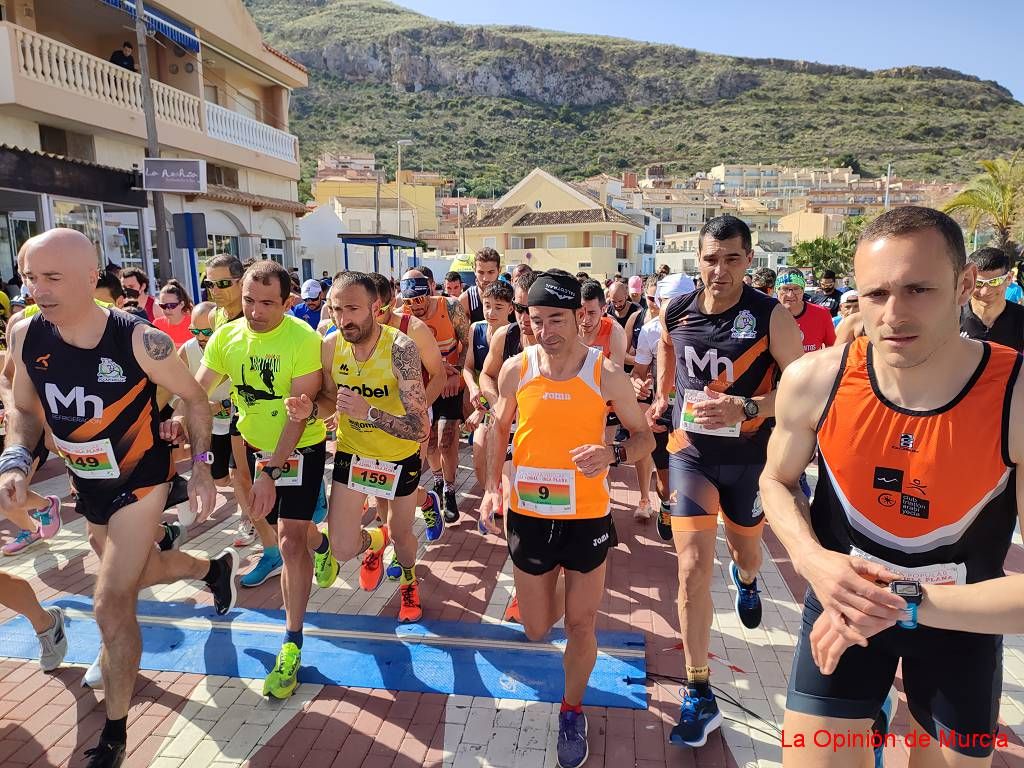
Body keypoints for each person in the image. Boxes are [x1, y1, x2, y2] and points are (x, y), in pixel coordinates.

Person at [760, 206, 1023, 768]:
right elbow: (776, 481)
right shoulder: (815, 380)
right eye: (876, 294)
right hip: (842, 607)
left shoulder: (1017, 401)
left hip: (960, 622)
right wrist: (810, 559)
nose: (893, 315)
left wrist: (902, 603)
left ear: (964, 285)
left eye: (918, 289)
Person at [3, 229, 234, 768]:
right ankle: (209, 570)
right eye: (31, 277)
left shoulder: (138, 338)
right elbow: (28, 412)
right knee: (138, 572)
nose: (39, 289)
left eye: (53, 277)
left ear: (91, 280)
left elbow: (194, 397)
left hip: (141, 480)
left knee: (110, 601)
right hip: (91, 484)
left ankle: (115, 732)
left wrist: (201, 471)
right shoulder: (24, 335)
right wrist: (15, 460)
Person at [479, 270, 654, 768]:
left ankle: (572, 709)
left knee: (581, 624)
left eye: (557, 318)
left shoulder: (604, 372)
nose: (547, 329)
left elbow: (645, 438)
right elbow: (501, 426)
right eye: (537, 320)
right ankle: (536, 594)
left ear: (580, 317)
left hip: (587, 517)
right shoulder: (517, 368)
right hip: (531, 514)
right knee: (537, 628)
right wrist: (493, 487)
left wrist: (613, 453)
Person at [648, 215, 803, 747]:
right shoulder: (677, 309)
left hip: (749, 459)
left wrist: (748, 405)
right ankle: (699, 690)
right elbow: (669, 356)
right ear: (697, 258)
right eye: (711, 259)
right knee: (690, 569)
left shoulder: (770, 316)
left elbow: (805, 393)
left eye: (732, 259)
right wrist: (662, 399)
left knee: (746, 554)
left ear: (749, 259)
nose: (720, 271)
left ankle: (749, 580)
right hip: (690, 454)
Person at [197, 260, 327, 700]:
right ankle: (323, 545)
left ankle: (291, 641)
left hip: (301, 447)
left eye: (268, 303)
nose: (255, 311)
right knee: (289, 532)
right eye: (249, 300)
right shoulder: (227, 335)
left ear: (287, 302)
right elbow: (197, 392)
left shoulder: (304, 339)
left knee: (290, 541)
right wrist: (182, 424)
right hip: (250, 445)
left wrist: (271, 471)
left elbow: (299, 413)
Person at [287, 271, 430, 623]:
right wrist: (310, 412)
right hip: (352, 453)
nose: (343, 318)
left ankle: (408, 580)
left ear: (375, 307)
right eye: (336, 309)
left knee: (403, 536)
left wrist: (369, 411)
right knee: (342, 547)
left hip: (398, 455)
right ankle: (375, 542)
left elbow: (420, 427)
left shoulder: (401, 349)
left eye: (352, 308)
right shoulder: (330, 345)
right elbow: (328, 401)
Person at [364, 272, 446, 579]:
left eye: (380, 310)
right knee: (381, 487)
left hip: (413, 420)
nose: (375, 318)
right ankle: (421, 508)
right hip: (372, 422)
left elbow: (438, 374)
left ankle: (400, 545)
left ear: (391, 302)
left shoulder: (413, 329)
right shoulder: (354, 331)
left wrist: (418, 412)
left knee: (399, 486)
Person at [204, 254, 279, 561]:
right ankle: (271, 545)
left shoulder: (259, 318)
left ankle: (279, 541)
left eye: (223, 283)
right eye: (210, 284)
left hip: (274, 410)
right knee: (236, 478)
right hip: (238, 408)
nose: (216, 290)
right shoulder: (215, 318)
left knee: (262, 476)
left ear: (241, 281)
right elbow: (215, 367)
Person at [397, 270, 471, 524]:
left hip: (450, 383)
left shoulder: (449, 307)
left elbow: (467, 342)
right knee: (429, 442)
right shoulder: (401, 315)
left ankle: (450, 490)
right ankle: (438, 479)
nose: (415, 306)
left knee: (447, 439)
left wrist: (457, 373)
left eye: (419, 299)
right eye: (409, 301)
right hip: (423, 385)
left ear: (430, 290)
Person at [631, 273, 694, 531]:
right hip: (663, 413)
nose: (678, 307)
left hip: (693, 414)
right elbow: (639, 372)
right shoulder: (650, 331)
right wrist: (637, 383)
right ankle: (666, 504)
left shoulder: (705, 328)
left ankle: (692, 522)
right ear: (659, 301)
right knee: (666, 484)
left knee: (695, 480)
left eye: (684, 300)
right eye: (669, 301)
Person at [174, 302, 233, 488]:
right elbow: (177, 390)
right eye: (194, 331)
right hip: (211, 427)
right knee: (220, 479)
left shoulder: (235, 348)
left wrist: (223, 405)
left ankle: (248, 511)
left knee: (241, 474)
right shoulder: (187, 350)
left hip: (239, 424)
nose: (200, 337)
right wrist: (179, 418)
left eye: (207, 332)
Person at [463, 280, 515, 488]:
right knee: (478, 460)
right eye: (487, 305)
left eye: (498, 307)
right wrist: (474, 388)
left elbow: (502, 381)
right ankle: (490, 500)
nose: (491, 312)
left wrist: (484, 408)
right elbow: (467, 367)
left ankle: (501, 503)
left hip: (507, 408)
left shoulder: (514, 336)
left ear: (511, 308)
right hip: (484, 404)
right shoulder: (475, 329)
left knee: (505, 464)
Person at [959, 247, 1024, 352]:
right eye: (978, 283)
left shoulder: (1021, 319)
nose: (985, 291)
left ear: (1008, 279)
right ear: (968, 281)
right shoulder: (951, 317)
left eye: (994, 282)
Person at [775, 269, 836, 352]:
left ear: (803, 290)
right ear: (777, 290)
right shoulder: (768, 314)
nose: (790, 295)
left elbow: (831, 348)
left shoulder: (821, 314)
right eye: (785, 289)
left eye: (796, 289)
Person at [578, 280, 626, 366]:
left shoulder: (615, 332)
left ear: (603, 310)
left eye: (591, 313)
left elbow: (615, 375)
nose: (585, 320)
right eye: (581, 313)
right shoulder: (569, 329)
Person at [460, 247, 501, 323]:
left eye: (491, 272)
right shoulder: (466, 299)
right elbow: (462, 334)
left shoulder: (511, 297)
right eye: (481, 272)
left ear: (499, 270)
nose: (485, 278)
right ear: (474, 271)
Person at [153, 279, 194, 347]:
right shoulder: (157, 324)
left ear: (181, 304)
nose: (167, 310)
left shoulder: (193, 323)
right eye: (163, 305)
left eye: (171, 305)